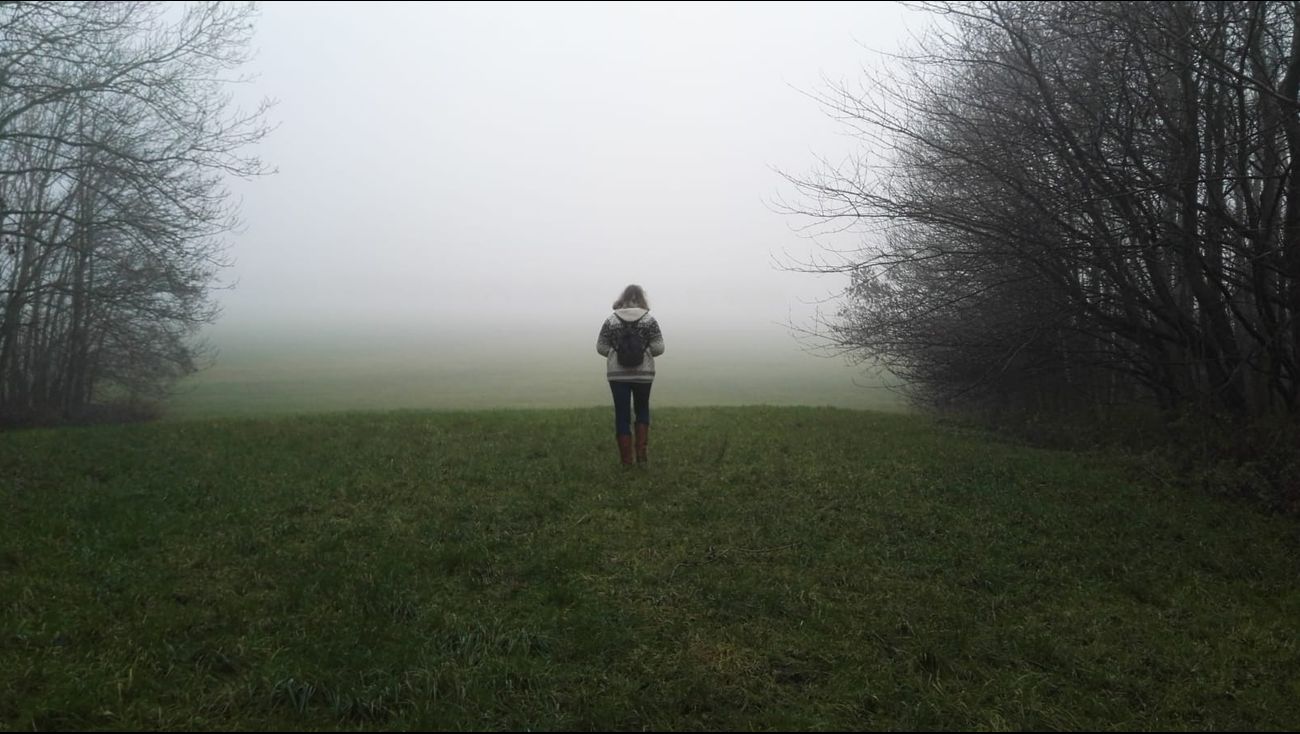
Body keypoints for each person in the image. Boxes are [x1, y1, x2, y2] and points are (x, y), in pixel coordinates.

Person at [596, 284, 665, 466]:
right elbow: (659, 348)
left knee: (622, 414)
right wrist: (645, 351)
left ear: (622, 298)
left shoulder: (611, 320)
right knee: (642, 410)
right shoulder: (649, 320)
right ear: (642, 299)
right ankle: (642, 455)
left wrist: (615, 353)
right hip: (644, 374)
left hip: (617, 375)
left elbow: (600, 347)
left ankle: (626, 461)